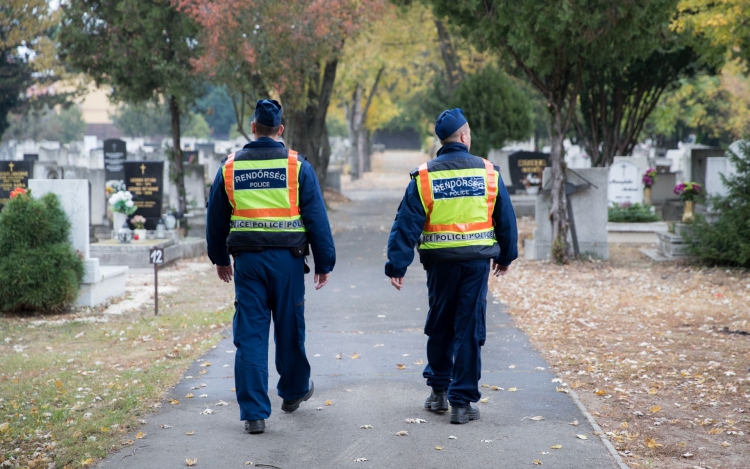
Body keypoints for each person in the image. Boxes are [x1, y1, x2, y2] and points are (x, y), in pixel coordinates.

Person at [206, 99, 336, 434]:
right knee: (290, 329)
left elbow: (216, 219)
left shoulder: (230, 167)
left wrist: (220, 258)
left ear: (253, 128)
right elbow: (316, 217)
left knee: (250, 335)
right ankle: (292, 393)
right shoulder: (297, 167)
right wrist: (325, 262)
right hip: (288, 264)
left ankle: (254, 414)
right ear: (280, 130)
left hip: (247, 264)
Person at [385, 108, 518, 424]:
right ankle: (461, 403)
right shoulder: (487, 172)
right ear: (463, 136)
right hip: (475, 264)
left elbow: (406, 223)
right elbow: (507, 220)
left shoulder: (425, 176)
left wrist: (397, 265)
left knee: (441, 323)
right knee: (468, 327)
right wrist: (505, 256)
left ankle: (439, 391)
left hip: (440, 265)